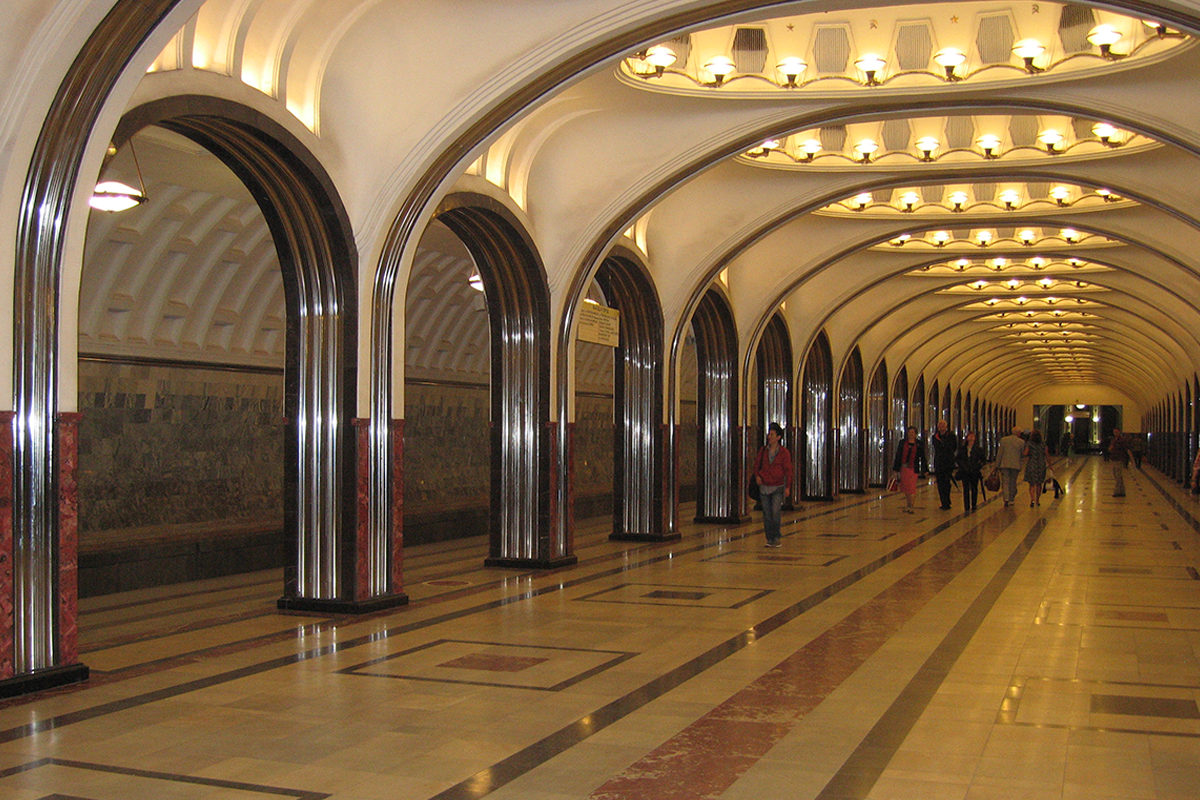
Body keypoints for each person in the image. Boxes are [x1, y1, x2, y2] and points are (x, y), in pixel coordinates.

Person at [752, 422, 792, 547]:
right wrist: (757, 475)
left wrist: (788, 487)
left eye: (772, 434)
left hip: (777, 487)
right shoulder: (763, 451)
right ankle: (769, 538)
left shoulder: (784, 453)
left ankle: (776, 537)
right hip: (764, 486)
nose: (769, 437)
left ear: (778, 437)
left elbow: (788, 470)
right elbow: (756, 465)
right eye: (769, 434)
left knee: (775, 513)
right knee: (767, 514)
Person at [892, 426, 926, 514]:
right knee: (905, 488)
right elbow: (898, 455)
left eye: (913, 432)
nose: (911, 434)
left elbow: (923, 457)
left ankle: (911, 506)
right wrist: (895, 469)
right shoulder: (902, 443)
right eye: (910, 432)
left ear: (915, 434)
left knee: (911, 488)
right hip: (904, 468)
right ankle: (908, 505)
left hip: (913, 468)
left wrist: (925, 469)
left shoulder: (919, 444)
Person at [930, 418, 958, 511]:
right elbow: (936, 448)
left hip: (948, 462)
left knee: (947, 482)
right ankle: (943, 501)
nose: (941, 427)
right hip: (939, 462)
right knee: (940, 483)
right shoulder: (935, 436)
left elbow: (954, 446)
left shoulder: (951, 435)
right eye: (940, 425)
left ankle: (947, 500)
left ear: (946, 426)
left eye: (943, 425)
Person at [956, 430, 986, 512]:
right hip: (965, 471)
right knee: (966, 489)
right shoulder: (962, 449)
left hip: (974, 472)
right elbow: (958, 459)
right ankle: (966, 505)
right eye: (969, 436)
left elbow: (983, 460)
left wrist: (978, 466)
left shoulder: (978, 449)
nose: (971, 437)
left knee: (974, 488)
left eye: (973, 436)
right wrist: (962, 465)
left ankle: (974, 504)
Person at [995, 425, 1026, 507]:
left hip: (1004, 464)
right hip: (1015, 465)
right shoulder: (1021, 442)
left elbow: (1000, 453)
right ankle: (1011, 499)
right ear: (1018, 433)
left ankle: (1006, 498)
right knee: (1013, 482)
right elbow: (1022, 454)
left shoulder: (1004, 440)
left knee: (1005, 482)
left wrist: (997, 464)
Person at [1024, 429, 1049, 507]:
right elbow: (1047, 454)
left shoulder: (1029, 444)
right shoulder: (1043, 444)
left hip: (1032, 464)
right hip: (1041, 464)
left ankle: (1032, 499)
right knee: (1039, 484)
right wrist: (1050, 465)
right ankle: (1038, 500)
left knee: (1031, 484)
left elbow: (1025, 453)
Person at [1109, 429, 1130, 497]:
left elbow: (1125, 449)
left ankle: (1118, 491)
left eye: (1117, 432)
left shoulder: (1121, 440)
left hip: (1119, 459)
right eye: (1114, 432)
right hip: (1114, 458)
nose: (1115, 433)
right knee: (1116, 475)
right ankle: (1122, 490)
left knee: (1118, 475)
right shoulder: (1114, 440)